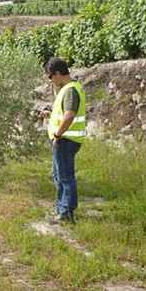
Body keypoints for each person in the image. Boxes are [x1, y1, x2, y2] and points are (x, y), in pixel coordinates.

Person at [43, 57, 86, 224]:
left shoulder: (70, 90)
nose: (50, 80)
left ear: (58, 73)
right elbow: (63, 113)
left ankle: (66, 213)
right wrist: (50, 115)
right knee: (58, 175)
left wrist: (58, 135)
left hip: (65, 140)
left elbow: (69, 115)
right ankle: (61, 209)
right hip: (66, 140)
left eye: (50, 77)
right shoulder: (70, 88)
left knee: (65, 177)